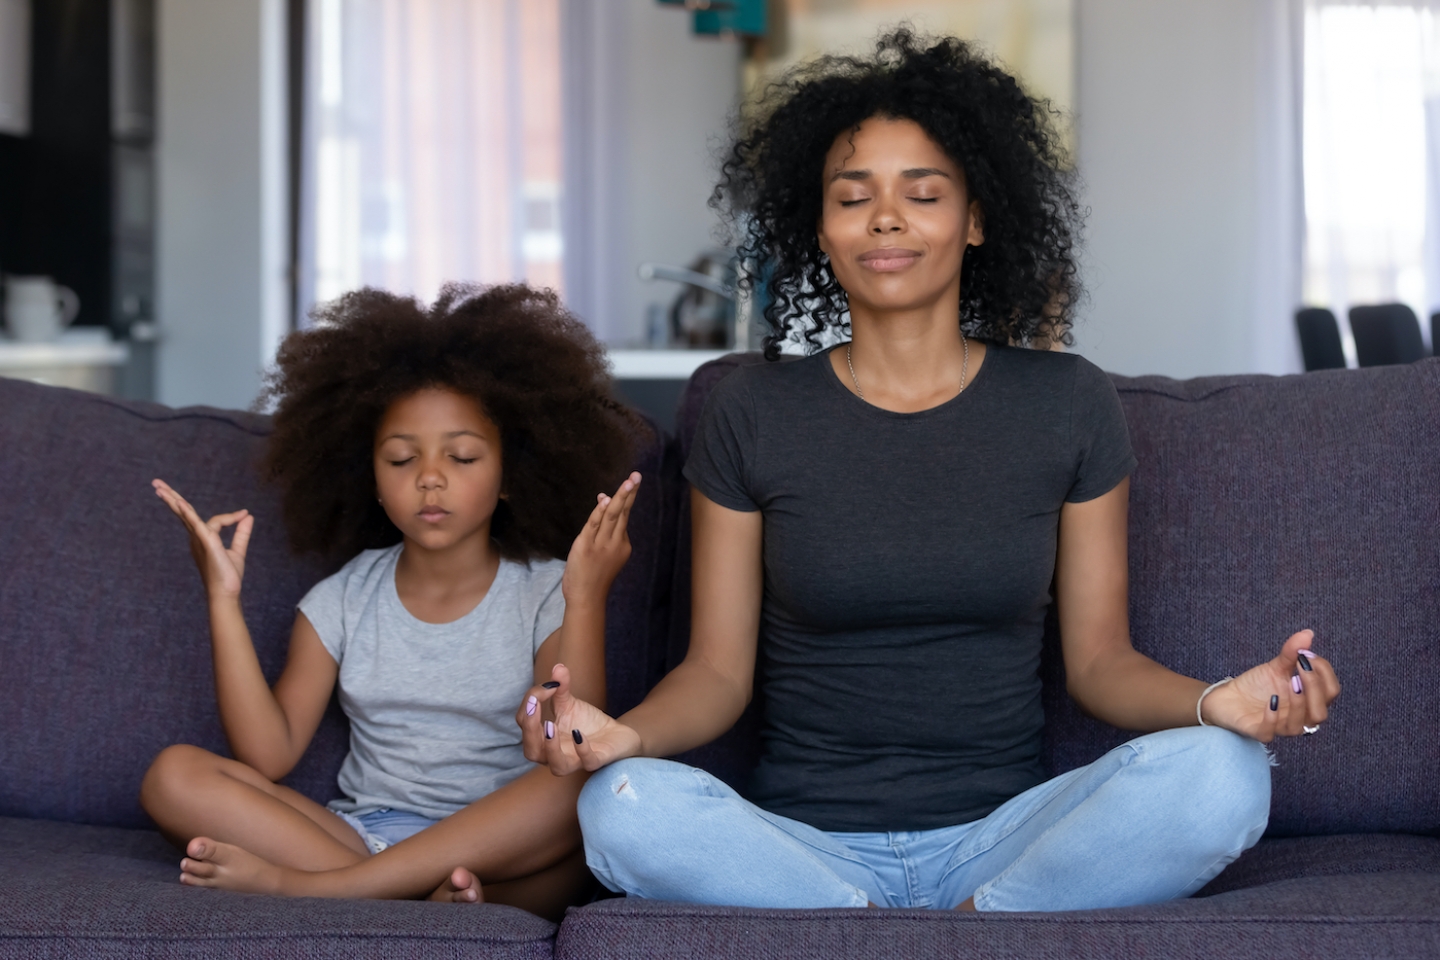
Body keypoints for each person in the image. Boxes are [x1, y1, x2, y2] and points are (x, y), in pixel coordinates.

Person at [519, 31, 1342, 912]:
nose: (885, 218)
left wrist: (1223, 702)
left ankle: (962, 920)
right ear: (821, 228)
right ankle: (884, 924)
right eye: (852, 196)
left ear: (976, 219)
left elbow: (1101, 662)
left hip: (1008, 837)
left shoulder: (1066, 402)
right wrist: (622, 737)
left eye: (923, 193)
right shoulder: (753, 413)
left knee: (1227, 773)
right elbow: (717, 675)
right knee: (620, 804)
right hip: (801, 848)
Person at [140, 283, 642, 921]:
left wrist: (586, 595)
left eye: (461, 456)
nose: (430, 477)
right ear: (369, 479)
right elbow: (269, 754)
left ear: (511, 475)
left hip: (502, 845)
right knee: (172, 774)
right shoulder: (344, 598)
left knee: (576, 790)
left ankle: (324, 891)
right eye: (402, 459)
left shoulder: (545, 589)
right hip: (361, 836)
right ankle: (424, 898)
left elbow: (566, 738)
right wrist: (221, 598)